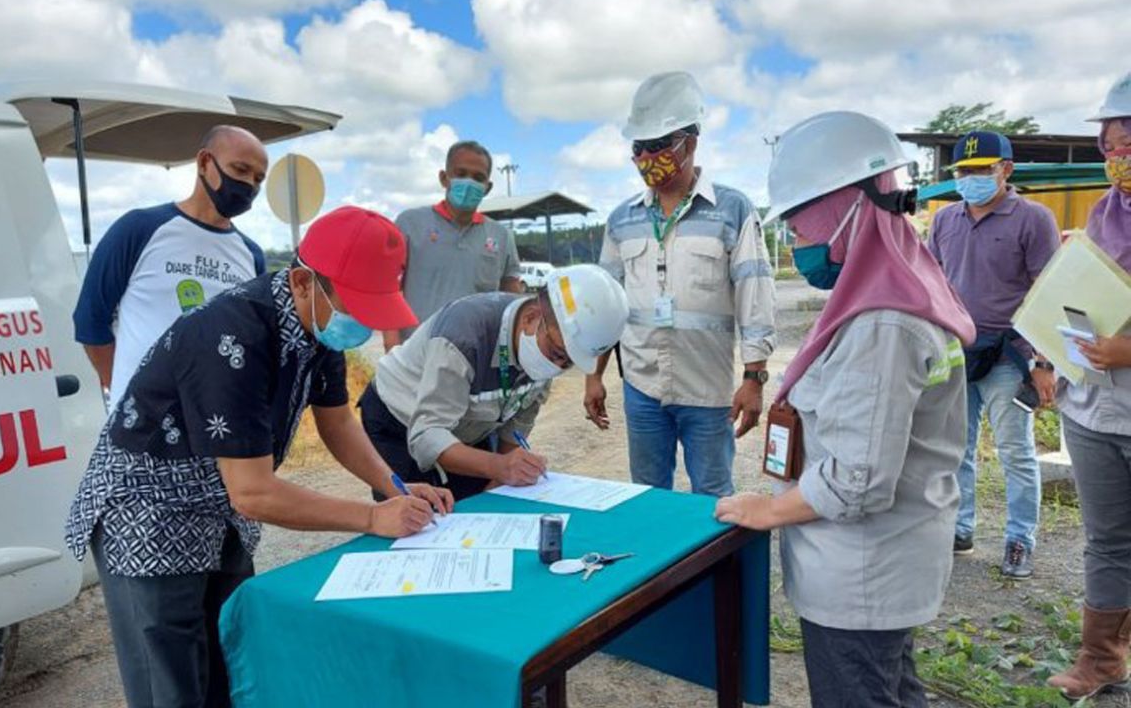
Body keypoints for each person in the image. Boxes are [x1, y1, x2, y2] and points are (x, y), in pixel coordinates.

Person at [64, 207, 452, 708]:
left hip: (217, 509)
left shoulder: (318, 327)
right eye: (355, 308)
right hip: (149, 513)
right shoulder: (231, 334)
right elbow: (252, 492)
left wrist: (394, 485)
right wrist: (374, 516)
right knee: (172, 683)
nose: (362, 328)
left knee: (233, 660)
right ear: (302, 281)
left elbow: (336, 422)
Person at [715, 111, 976, 708]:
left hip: (862, 577)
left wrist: (769, 509)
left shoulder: (882, 323)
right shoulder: (899, 288)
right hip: (881, 564)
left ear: (847, 211)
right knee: (892, 688)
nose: (799, 244)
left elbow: (858, 482)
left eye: (802, 225)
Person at [586, 71, 776, 497]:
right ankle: (665, 566)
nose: (647, 156)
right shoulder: (621, 220)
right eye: (639, 148)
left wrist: (754, 378)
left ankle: (715, 567)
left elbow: (755, 294)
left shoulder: (733, 210)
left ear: (690, 142)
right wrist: (592, 375)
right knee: (648, 495)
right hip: (641, 385)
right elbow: (604, 305)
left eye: (659, 145)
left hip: (706, 388)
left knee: (712, 493)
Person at [363, 264, 628, 501]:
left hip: (464, 425)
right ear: (531, 318)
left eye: (569, 362)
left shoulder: (547, 344)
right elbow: (426, 436)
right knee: (414, 518)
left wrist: (501, 477)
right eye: (558, 354)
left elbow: (515, 427)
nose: (559, 366)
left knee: (473, 509)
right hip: (399, 418)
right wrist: (498, 466)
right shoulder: (463, 335)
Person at [927, 130, 1060, 578]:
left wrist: (1044, 363)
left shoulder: (1032, 219)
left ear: (1006, 170)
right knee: (955, 449)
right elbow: (931, 285)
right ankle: (959, 528)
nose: (971, 179)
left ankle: (1019, 539)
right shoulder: (945, 221)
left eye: (981, 170)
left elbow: (1049, 293)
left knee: (1015, 451)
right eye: (964, 172)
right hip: (959, 354)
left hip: (1010, 356)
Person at [73, 125, 268, 408]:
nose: (249, 184)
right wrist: (124, 390)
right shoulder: (139, 229)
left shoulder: (251, 255)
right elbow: (90, 321)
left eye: (258, 178)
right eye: (240, 170)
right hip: (142, 431)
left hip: (218, 427)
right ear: (204, 162)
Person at [1047, 72, 1131, 701]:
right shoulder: (1104, 216)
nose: (1116, 158)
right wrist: (1046, 353)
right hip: (1093, 411)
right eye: (1108, 145)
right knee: (1106, 540)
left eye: (1127, 142)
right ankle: (1101, 659)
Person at [382, 140, 522, 350]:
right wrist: (392, 348)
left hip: (476, 357)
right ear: (444, 178)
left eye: (478, 178)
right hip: (416, 355)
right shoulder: (410, 224)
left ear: (488, 187)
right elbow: (388, 288)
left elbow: (511, 302)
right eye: (461, 173)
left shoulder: (501, 236)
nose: (469, 183)